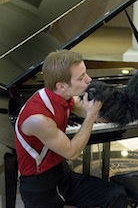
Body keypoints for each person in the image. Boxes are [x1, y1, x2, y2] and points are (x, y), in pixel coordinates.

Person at [14, 49, 127, 208]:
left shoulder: (65, 97)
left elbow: (94, 113)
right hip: (40, 187)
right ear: (61, 86)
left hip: (63, 175)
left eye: (86, 74)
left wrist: (129, 114)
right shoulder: (38, 119)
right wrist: (91, 116)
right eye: (81, 78)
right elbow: (72, 152)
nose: (89, 80)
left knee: (116, 195)